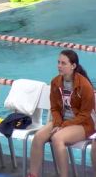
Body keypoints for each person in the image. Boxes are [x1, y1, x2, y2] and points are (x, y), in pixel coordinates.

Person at [28, 49, 95, 177]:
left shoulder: (85, 86)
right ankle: (33, 174)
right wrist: (58, 123)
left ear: (73, 66)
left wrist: (63, 126)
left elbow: (85, 114)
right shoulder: (55, 82)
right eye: (58, 62)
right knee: (38, 136)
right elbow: (54, 108)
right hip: (62, 121)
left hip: (83, 124)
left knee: (57, 138)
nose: (59, 66)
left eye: (63, 63)